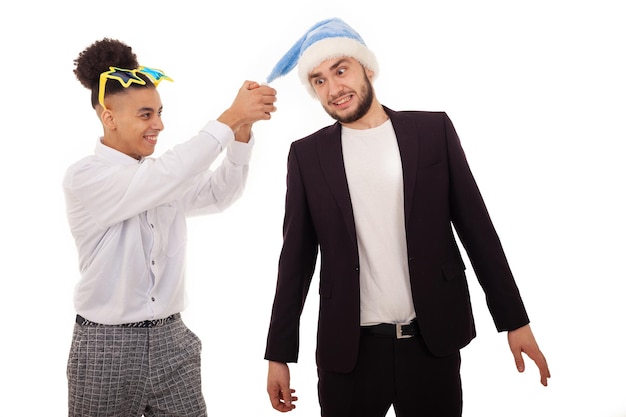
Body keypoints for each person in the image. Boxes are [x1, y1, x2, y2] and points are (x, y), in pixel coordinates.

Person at [263, 18, 550, 417]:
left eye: (340, 70)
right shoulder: (307, 156)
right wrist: (279, 354)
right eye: (319, 81)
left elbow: (478, 230)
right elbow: (294, 261)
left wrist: (514, 321)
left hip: (431, 345)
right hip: (350, 354)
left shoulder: (432, 132)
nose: (333, 89)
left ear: (367, 68)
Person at [64, 38, 276, 417]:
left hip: (171, 340)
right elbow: (169, 174)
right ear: (108, 117)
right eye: (146, 115)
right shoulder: (85, 177)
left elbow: (219, 193)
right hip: (105, 347)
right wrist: (228, 118)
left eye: (160, 112)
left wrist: (241, 130)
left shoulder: (161, 176)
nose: (159, 125)